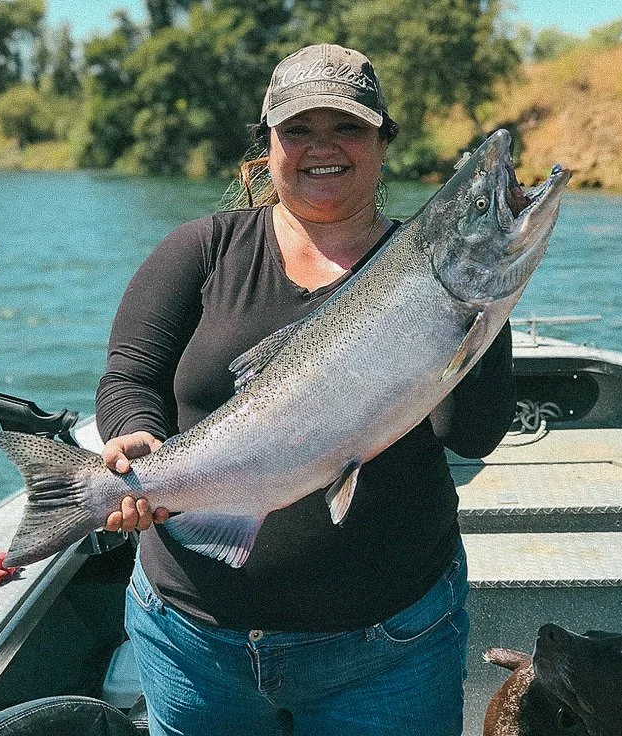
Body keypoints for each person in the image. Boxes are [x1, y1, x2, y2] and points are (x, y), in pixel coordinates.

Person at [95, 43, 515, 736]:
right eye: (298, 130)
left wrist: (480, 315)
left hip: (391, 644)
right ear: (268, 145)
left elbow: (473, 435)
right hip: (192, 642)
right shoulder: (200, 250)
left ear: (384, 143)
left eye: (347, 127)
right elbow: (130, 378)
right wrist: (135, 437)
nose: (323, 148)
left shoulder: (427, 271)